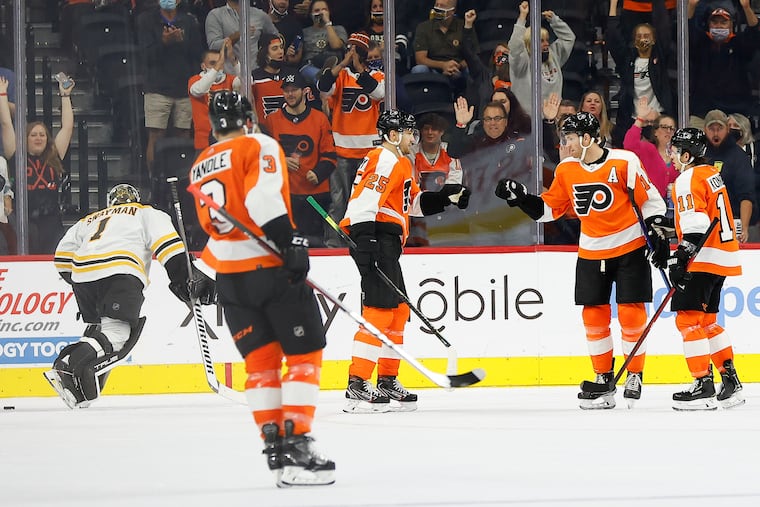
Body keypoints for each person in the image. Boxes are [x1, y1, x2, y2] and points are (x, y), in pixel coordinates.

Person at [189, 90, 335, 487]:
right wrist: (291, 242)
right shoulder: (259, 144)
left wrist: (204, 268)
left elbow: (222, 225)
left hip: (231, 281)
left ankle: (275, 450)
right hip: (269, 272)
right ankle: (299, 445)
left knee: (261, 363)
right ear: (247, 118)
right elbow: (261, 199)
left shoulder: (200, 166)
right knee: (305, 355)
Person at [495, 112, 668, 409]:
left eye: (571, 138)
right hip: (591, 250)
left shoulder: (624, 162)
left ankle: (634, 374)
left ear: (588, 138)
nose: (566, 144)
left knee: (630, 312)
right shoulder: (567, 169)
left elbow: (651, 200)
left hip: (629, 246)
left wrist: (658, 235)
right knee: (593, 316)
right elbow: (549, 210)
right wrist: (521, 198)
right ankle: (602, 378)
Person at [339, 109, 470, 413]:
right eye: (409, 132)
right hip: (375, 239)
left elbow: (409, 204)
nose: (414, 137)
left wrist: (446, 197)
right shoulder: (383, 158)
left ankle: (386, 379)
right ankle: (357, 383)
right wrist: (366, 242)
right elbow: (363, 201)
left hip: (386, 241)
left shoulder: (398, 162)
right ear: (393, 135)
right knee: (378, 312)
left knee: (397, 312)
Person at [47, 183, 209, 409]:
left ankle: (80, 387)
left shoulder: (88, 220)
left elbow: (62, 259)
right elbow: (168, 245)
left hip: (83, 275)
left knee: (102, 332)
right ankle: (68, 364)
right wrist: (183, 277)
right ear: (136, 199)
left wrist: (85, 280)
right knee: (117, 335)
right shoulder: (146, 212)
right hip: (120, 272)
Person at [652, 127, 744, 410]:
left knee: (688, 321)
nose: (672, 154)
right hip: (722, 257)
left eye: (676, 149)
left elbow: (696, 226)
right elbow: (705, 216)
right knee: (708, 323)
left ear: (688, 154)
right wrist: (671, 229)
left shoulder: (687, 178)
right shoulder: (711, 175)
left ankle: (702, 384)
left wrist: (680, 259)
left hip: (702, 259)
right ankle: (730, 382)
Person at [316, 33, 384, 246]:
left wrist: (359, 68)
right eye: (349, 49)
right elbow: (323, 87)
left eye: (356, 50)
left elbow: (380, 94)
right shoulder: (341, 75)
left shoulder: (378, 75)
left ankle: (365, 243)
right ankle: (334, 244)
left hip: (369, 152)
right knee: (339, 202)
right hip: (342, 150)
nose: (352, 53)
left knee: (367, 202)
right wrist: (344, 64)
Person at [264, 70, 336, 246]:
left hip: (314, 196)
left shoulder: (319, 119)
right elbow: (263, 157)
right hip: (285, 196)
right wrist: (281, 160)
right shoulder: (272, 120)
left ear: (304, 91)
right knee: (286, 244)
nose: (289, 94)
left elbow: (330, 156)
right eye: (286, 90)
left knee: (316, 243)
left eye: (294, 90)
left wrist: (318, 173)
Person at [608, 0, 675, 148]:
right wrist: (613, 6)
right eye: (639, 36)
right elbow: (613, 40)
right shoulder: (627, 61)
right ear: (634, 40)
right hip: (632, 120)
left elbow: (663, 27)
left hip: (657, 120)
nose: (643, 39)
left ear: (654, 39)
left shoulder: (661, 59)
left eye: (646, 35)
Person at [27, 79, 75, 254]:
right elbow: (6, 125)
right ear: (25, 139)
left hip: (51, 222)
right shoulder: (17, 158)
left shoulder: (52, 157)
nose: (38, 138)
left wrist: (65, 95)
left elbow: (67, 128)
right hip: (26, 221)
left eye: (42, 135)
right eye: (33, 135)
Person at [687, 1, 760, 118]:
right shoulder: (700, 43)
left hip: (736, 110)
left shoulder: (739, 44)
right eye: (714, 22)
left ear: (732, 25)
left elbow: (754, 31)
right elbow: (685, 29)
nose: (719, 26)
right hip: (702, 111)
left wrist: (746, 7)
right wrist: (691, 6)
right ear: (708, 24)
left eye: (724, 22)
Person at [507, 1, 575, 115]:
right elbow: (515, 46)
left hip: (552, 118)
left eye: (547, 40)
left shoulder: (553, 56)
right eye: (541, 41)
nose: (546, 44)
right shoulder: (521, 62)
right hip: (526, 122)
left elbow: (569, 38)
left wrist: (555, 21)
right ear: (529, 43)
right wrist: (522, 17)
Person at [406, 112, 463, 246]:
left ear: (442, 131)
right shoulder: (411, 152)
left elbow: (455, 182)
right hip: (419, 210)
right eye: (426, 128)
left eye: (435, 129)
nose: (430, 132)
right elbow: (411, 183)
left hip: (446, 208)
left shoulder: (450, 150)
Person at [702, 109, 756, 243]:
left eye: (719, 128)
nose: (715, 133)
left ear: (727, 129)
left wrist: (743, 228)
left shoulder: (738, 157)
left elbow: (746, 195)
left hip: (732, 220)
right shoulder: (699, 155)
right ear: (704, 130)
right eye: (711, 128)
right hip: (703, 222)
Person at [411, 0, 478, 93]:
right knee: (419, 69)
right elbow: (420, 59)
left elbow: (473, 55)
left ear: (452, 11)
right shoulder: (424, 27)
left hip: (458, 69)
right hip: (433, 70)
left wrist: (458, 66)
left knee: (473, 70)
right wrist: (443, 65)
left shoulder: (464, 26)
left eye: (442, 6)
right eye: (436, 5)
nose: (438, 8)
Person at [623, 97, 678, 206]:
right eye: (664, 127)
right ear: (656, 131)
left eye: (672, 128)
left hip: (673, 205)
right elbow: (629, 144)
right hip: (649, 205)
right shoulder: (647, 149)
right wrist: (640, 119)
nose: (668, 131)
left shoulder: (678, 154)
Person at [188, 41, 241, 152]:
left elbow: (248, 82)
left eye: (220, 63)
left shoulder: (230, 80)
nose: (218, 66)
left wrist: (233, 60)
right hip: (204, 143)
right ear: (203, 66)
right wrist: (217, 67)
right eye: (213, 63)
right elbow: (199, 90)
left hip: (228, 139)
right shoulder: (195, 80)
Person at [205, 0, 277, 76]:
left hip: (256, 75)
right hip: (228, 77)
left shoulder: (260, 15)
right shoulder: (215, 15)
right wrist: (238, 35)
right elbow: (213, 47)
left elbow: (276, 38)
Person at [300, 0, 348, 83]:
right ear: (310, 14)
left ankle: (324, 77)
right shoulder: (304, 32)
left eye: (324, 10)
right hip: (310, 65)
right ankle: (323, 78)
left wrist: (328, 23)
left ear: (329, 12)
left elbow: (336, 45)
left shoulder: (338, 29)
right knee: (323, 78)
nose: (321, 13)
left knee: (330, 77)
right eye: (317, 10)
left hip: (333, 65)